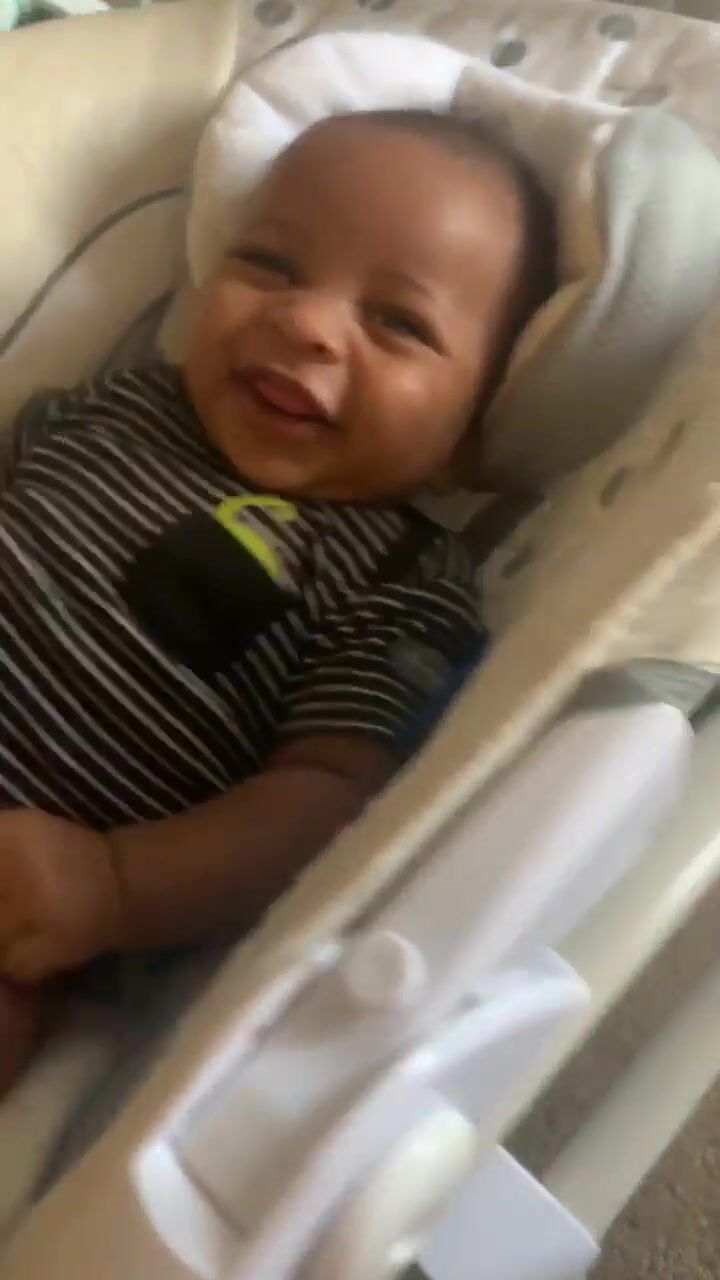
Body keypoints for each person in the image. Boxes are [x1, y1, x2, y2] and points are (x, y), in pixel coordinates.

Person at [0, 107, 556, 1089]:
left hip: (32, 883)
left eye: (397, 322)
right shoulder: (131, 400)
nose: (305, 323)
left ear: (480, 426)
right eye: (272, 264)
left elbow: (324, 802)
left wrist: (116, 886)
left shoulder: (404, 579)